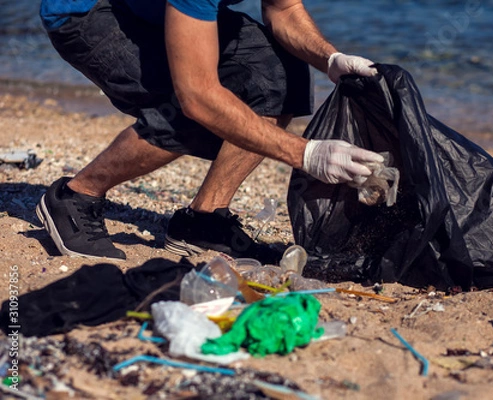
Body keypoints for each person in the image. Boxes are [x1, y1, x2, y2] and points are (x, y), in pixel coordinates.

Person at [36, 0, 384, 262]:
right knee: (194, 113)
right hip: (89, 11)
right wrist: (306, 154)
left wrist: (330, 59)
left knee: (279, 74)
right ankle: (76, 196)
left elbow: (284, 9)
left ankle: (202, 223)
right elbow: (197, 97)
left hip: (157, 9)